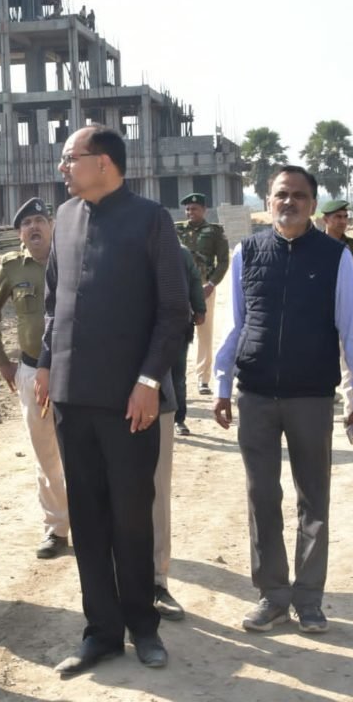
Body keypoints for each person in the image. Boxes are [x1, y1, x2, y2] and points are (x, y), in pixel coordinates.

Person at [36, 125, 189, 677]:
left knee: (130, 517)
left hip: (130, 401)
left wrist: (149, 381)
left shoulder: (150, 219)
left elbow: (174, 311)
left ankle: (142, 626)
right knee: (88, 518)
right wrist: (47, 364)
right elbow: (54, 301)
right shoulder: (66, 217)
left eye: (69, 158)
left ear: (103, 162)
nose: (62, 167)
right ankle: (101, 632)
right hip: (72, 398)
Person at [213, 166, 353, 635]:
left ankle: (309, 600)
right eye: (281, 194)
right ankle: (272, 596)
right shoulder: (247, 252)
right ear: (268, 201)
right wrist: (222, 386)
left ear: (313, 203)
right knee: (261, 497)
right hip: (257, 395)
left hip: (311, 396)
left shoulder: (334, 256)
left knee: (314, 500)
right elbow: (235, 325)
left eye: (299, 196)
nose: (289, 202)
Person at [0, 197, 69, 560]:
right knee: (45, 454)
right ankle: (57, 528)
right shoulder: (10, 267)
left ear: (52, 226)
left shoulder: (73, 259)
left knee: (83, 451)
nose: (33, 227)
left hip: (76, 372)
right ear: (20, 233)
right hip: (32, 371)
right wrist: (2, 363)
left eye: (39, 220)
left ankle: (93, 523)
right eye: (26, 223)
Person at [152, 244, 206, 623]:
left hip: (155, 396)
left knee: (155, 495)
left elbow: (175, 321)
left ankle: (156, 582)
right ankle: (116, 587)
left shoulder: (166, 256)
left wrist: (147, 381)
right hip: (99, 401)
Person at [321, 198, 353, 417]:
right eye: (337, 217)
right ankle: (324, 400)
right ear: (325, 220)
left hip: (348, 312)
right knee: (321, 360)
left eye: (345, 217)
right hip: (322, 314)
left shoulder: (352, 247)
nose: (343, 221)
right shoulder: (315, 246)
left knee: (351, 362)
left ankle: (352, 411)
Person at [175, 192, 229, 395]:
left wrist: (212, 284)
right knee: (176, 331)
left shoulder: (214, 231)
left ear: (204, 210)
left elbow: (223, 261)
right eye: (188, 209)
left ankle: (203, 379)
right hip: (179, 287)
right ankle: (176, 378)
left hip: (204, 288)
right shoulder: (176, 230)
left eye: (195, 209)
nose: (191, 212)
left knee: (204, 334)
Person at [170, 246, 207, 438]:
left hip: (177, 324)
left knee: (177, 375)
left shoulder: (181, 253)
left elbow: (194, 281)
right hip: (149, 324)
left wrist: (199, 309)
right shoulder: (141, 247)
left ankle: (178, 418)